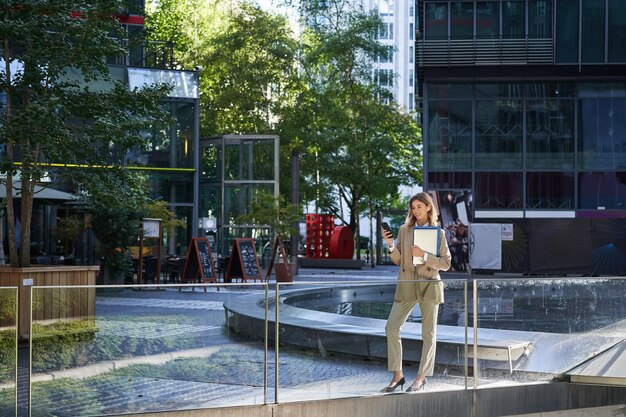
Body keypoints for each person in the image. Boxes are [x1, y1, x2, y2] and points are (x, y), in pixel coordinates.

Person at [381, 192, 451, 393]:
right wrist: (391, 245)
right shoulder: (405, 230)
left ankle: (421, 378)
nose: (416, 210)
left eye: (420, 206)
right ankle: (398, 375)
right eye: (413, 207)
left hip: (430, 285)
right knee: (391, 327)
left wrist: (424, 255)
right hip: (407, 285)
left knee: (428, 334)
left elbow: (446, 264)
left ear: (429, 207)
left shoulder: (439, 233)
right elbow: (398, 260)